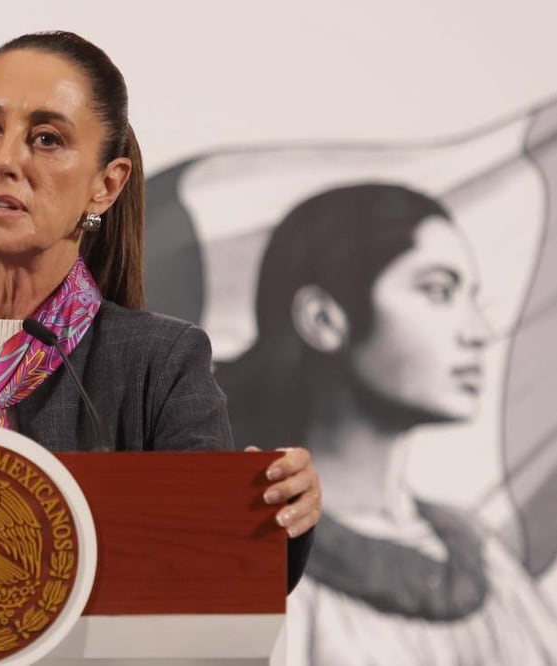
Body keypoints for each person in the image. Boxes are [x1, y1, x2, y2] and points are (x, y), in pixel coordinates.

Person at [0, 31, 320, 581]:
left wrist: (277, 511)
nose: (5, 159)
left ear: (106, 186)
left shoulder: (157, 363)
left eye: (45, 138)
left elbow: (212, 569)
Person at [216, 183, 557, 664]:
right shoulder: (251, 556)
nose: (478, 332)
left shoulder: (483, 557)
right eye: (438, 291)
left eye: (470, 297)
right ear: (323, 318)